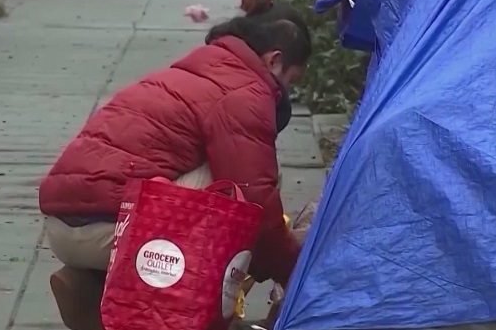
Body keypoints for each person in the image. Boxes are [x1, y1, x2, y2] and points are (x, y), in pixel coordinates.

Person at [39, 17, 312, 330]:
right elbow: (256, 202)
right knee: (236, 198)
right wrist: (296, 273)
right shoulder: (244, 92)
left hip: (64, 225)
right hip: (115, 229)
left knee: (214, 181)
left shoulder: (198, 69)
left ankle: (89, 289)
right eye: (290, 81)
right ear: (274, 60)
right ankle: (201, 317)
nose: (284, 93)